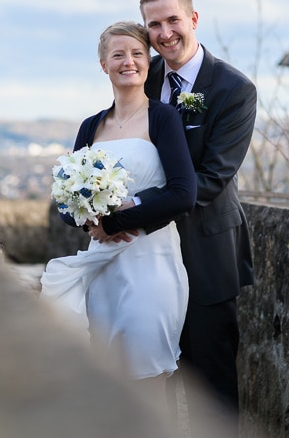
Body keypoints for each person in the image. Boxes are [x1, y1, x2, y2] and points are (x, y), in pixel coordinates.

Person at [40, 21, 197, 413]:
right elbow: (63, 200)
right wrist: (87, 218)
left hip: (152, 263)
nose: (129, 62)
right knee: (108, 380)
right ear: (103, 64)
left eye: (138, 54)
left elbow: (184, 193)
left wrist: (116, 222)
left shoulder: (163, 118)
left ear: (149, 61)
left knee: (148, 376)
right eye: (118, 55)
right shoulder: (90, 126)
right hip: (103, 269)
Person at [136, 0, 257, 436]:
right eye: (154, 25)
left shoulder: (234, 90)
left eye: (172, 20)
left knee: (212, 384)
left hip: (207, 252)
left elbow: (211, 179)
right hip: (147, 256)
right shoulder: (141, 75)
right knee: (155, 375)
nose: (165, 33)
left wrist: (133, 211)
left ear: (193, 19)